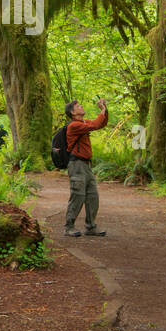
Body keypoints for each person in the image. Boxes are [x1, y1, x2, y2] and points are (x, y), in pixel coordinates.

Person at [63, 98, 108, 237]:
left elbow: (101, 124)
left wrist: (105, 110)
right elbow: (95, 124)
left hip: (86, 165)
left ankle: (90, 227)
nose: (81, 106)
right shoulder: (73, 126)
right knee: (78, 195)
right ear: (72, 112)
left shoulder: (83, 122)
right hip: (76, 165)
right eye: (78, 106)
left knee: (92, 195)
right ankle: (69, 227)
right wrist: (102, 110)